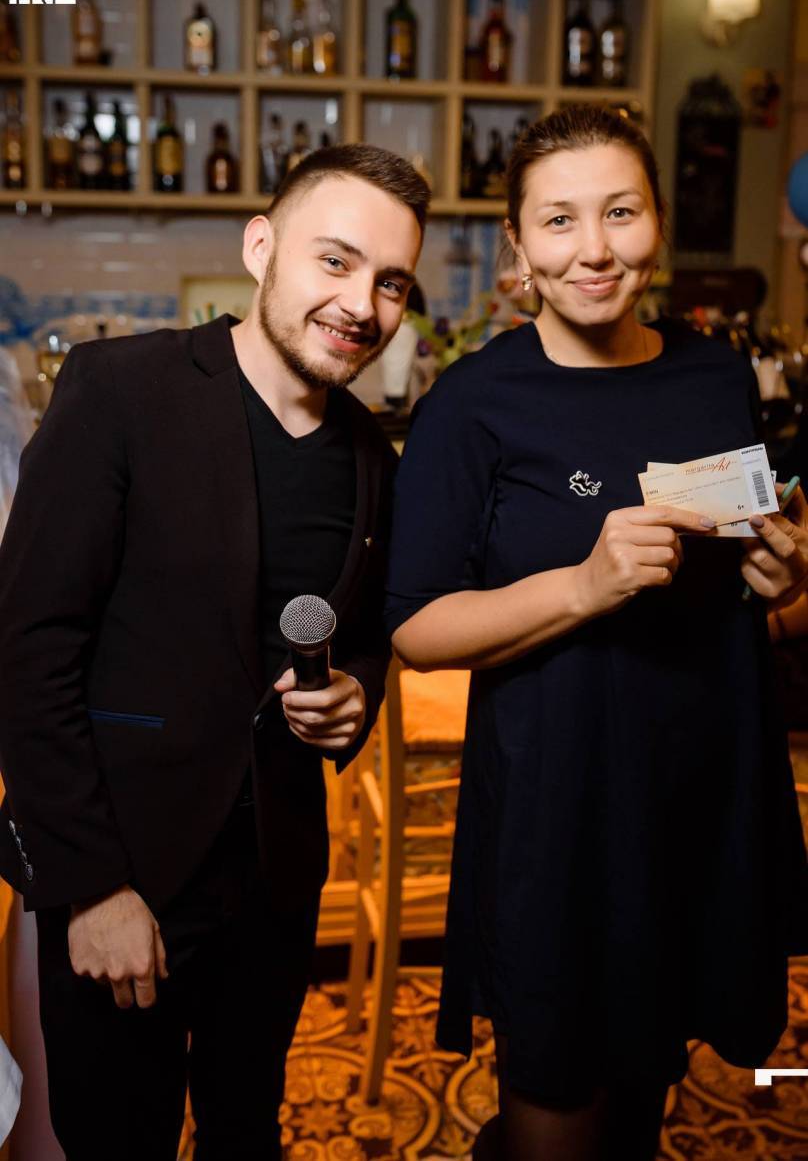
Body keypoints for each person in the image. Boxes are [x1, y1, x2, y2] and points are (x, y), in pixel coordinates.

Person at [384, 105, 808, 1161]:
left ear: (657, 220)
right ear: (518, 247)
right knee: (558, 1092)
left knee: (644, 1088)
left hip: (702, 789)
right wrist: (583, 585)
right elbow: (418, 629)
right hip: (559, 803)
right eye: (560, 220)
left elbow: (748, 575)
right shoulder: (473, 404)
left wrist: (784, 578)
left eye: (620, 212)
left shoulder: (714, 374)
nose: (595, 248)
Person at [0, 143, 428, 1160]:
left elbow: (369, 640)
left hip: (273, 889)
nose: (360, 303)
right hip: (122, 874)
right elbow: (27, 644)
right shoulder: (121, 389)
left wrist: (356, 698)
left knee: (247, 1132)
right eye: (335, 261)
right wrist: (91, 889)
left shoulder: (373, 457)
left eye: (390, 282)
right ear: (261, 247)